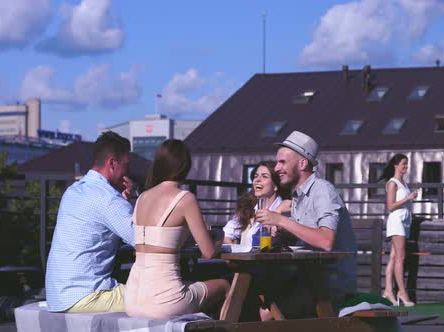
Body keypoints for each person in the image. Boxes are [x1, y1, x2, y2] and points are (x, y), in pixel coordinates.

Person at [255, 130, 357, 318]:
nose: (276, 168)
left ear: (302, 163)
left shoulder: (323, 191)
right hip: (307, 277)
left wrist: (281, 220)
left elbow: (326, 240)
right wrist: (283, 232)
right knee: (253, 296)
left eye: (282, 162)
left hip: (328, 284)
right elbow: (307, 236)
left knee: (266, 311)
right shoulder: (298, 194)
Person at [124, 139, 229, 320]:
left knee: (191, 285)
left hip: (132, 299)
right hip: (164, 303)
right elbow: (208, 252)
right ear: (185, 167)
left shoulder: (141, 198)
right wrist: (220, 235)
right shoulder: (185, 199)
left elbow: (161, 239)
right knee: (226, 286)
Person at [45, 131, 135, 313]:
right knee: (162, 298)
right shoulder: (108, 198)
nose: (128, 172)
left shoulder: (73, 191)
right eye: (126, 165)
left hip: (57, 296)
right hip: (87, 295)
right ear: (112, 163)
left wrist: (122, 203)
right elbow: (143, 239)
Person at [222, 161, 291, 247]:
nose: (257, 180)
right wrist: (235, 248)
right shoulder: (248, 208)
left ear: (275, 186)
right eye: (256, 176)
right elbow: (226, 233)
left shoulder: (285, 209)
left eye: (264, 176)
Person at [379, 154, 417, 307]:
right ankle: (402, 292)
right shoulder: (392, 183)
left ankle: (388, 290)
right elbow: (390, 206)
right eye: (403, 164)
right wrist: (408, 198)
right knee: (400, 258)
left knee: (394, 258)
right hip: (397, 223)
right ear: (395, 165)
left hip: (404, 223)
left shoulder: (403, 183)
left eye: (407, 164)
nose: (405, 167)